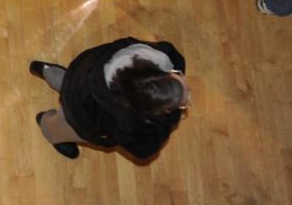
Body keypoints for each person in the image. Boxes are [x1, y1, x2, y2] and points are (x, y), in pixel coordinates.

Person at [29, 38, 189, 160]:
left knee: (71, 84)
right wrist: (171, 118)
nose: (188, 90)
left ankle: (49, 72)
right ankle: (46, 125)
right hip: (83, 109)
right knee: (63, 125)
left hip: (83, 71)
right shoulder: (127, 122)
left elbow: (172, 56)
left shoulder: (146, 54)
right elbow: (144, 149)